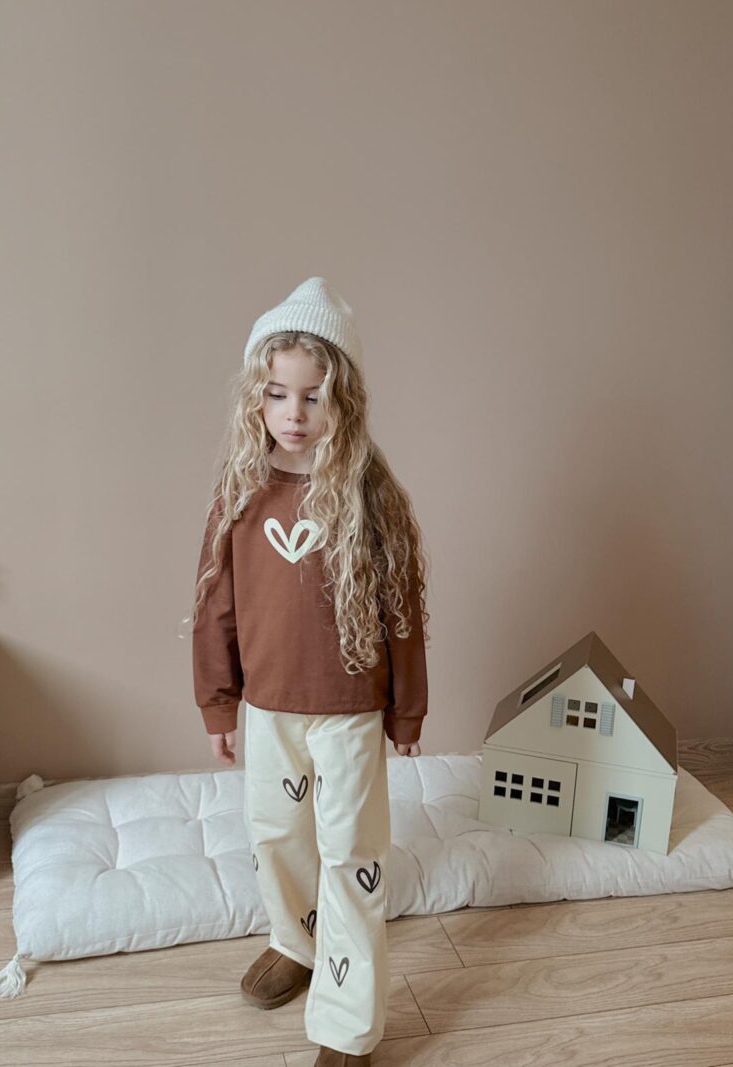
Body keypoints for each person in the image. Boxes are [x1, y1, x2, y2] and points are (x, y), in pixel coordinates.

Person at [190, 276, 429, 1067]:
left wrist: (406, 710)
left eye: (313, 396)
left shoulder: (372, 496)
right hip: (270, 711)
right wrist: (219, 701)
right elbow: (215, 603)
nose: (294, 413)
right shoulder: (240, 492)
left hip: (350, 713)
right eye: (278, 394)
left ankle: (348, 1025)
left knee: (351, 857)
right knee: (277, 836)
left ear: (343, 401)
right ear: (256, 398)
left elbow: (402, 609)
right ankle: (295, 940)